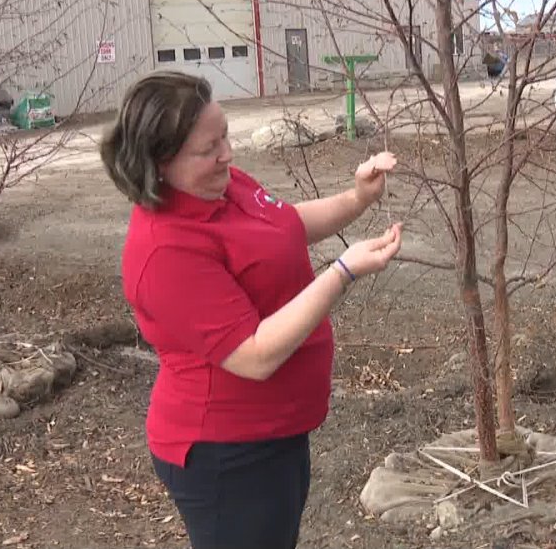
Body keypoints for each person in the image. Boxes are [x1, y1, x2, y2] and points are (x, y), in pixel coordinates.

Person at [99, 70, 402, 549]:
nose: (227, 154)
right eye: (208, 148)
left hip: (274, 431)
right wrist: (342, 272)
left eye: (224, 136)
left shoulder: (221, 185)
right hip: (226, 453)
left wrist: (357, 198)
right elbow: (253, 354)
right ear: (160, 162)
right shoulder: (165, 251)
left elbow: (283, 226)